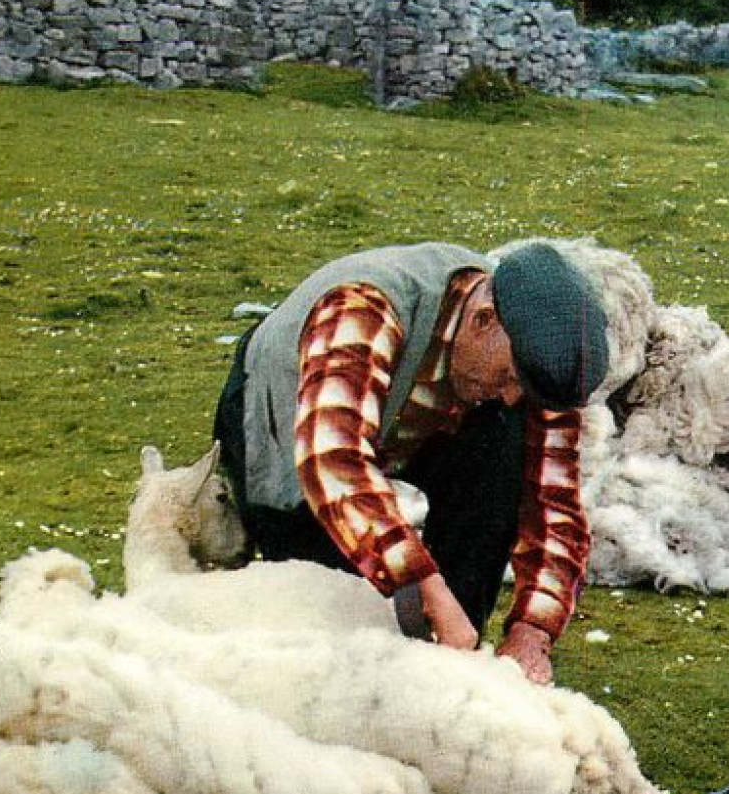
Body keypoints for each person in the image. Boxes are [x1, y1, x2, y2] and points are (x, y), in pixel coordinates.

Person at [213, 241, 609, 685]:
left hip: (418, 423)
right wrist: (425, 588)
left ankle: (450, 667)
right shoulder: (364, 307)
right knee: (331, 608)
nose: (513, 396)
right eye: (510, 377)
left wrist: (532, 633)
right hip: (290, 416)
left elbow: (555, 507)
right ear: (483, 321)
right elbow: (333, 460)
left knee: (503, 449)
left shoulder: (534, 356)